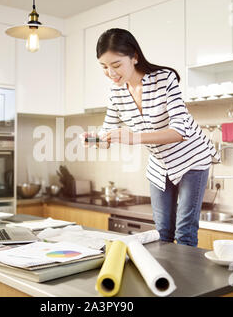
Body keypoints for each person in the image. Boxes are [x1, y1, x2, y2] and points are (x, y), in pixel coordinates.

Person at [81, 28, 220, 247]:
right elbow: (108, 132)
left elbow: (179, 132)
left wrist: (134, 137)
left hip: (192, 160)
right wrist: (95, 140)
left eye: (116, 65)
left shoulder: (165, 80)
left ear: (134, 57)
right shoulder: (116, 93)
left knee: (184, 231)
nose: (111, 73)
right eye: (104, 67)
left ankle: (185, 281)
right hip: (160, 164)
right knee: (162, 232)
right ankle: (164, 280)